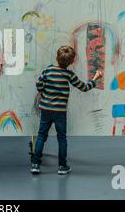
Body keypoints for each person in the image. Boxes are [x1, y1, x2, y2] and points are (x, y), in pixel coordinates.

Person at [31, 45, 103, 175]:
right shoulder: (69, 75)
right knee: (62, 138)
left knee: (42, 136)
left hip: (46, 109)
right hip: (60, 112)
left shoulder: (48, 70)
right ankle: (62, 166)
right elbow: (84, 87)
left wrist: (43, 92)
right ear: (71, 62)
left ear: (57, 57)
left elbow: (38, 84)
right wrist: (95, 78)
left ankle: (36, 164)